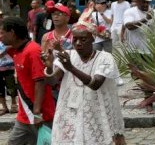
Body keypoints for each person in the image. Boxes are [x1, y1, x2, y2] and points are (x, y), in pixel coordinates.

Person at [42, 22, 125, 145]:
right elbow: (52, 81)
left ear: (93, 39)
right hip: (71, 111)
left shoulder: (105, 58)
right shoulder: (68, 55)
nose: (78, 43)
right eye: (75, 39)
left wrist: (71, 68)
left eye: (83, 39)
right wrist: (49, 68)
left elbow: (95, 84)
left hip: (97, 111)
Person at [1, 17, 55, 145]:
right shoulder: (16, 49)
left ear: (12, 33)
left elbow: (40, 82)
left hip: (40, 114)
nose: (0, 36)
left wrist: (37, 113)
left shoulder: (33, 51)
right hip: (24, 115)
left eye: (2, 32)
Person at [0, 20, 18, 116]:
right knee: (0, 88)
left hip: (8, 65)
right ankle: (4, 106)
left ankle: (14, 104)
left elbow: (12, 45)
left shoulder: (6, 34)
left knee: (11, 85)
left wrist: (5, 49)